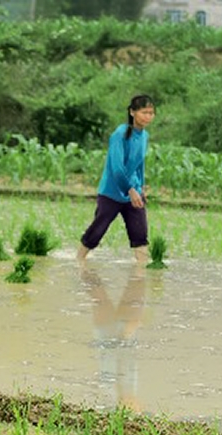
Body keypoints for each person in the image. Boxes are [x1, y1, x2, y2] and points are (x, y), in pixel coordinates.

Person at [78, 95, 156, 265]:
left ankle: (141, 273)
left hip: (134, 193)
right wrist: (130, 189)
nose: (148, 116)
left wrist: (140, 187)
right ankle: (79, 261)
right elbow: (116, 168)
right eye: (144, 112)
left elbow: (139, 164)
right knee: (97, 231)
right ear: (132, 112)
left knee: (140, 234)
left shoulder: (144, 136)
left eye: (151, 113)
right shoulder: (120, 134)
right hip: (112, 192)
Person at [82, 264, 146, 412]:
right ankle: (83, 264)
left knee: (101, 297)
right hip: (117, 345)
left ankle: (83, 265)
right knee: (133, 288)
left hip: (112, 343)